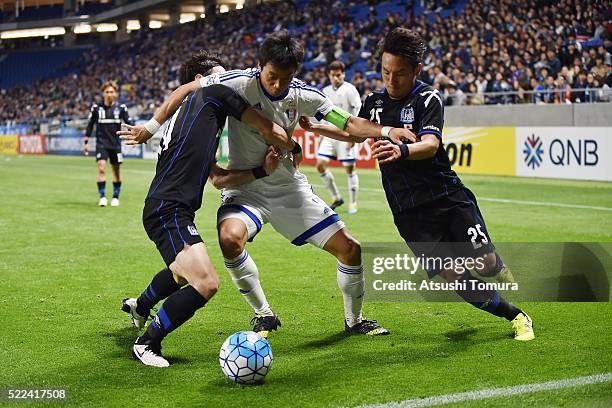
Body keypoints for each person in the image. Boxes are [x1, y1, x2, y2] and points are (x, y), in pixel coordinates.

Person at [122, 31, 416, 339]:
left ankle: (354, 321)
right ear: (260, 65)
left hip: (289, 189)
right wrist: (150, 126)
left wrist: (387, 130)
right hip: (244, 190)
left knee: (350, 249)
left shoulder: (305, 95)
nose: (277, 85)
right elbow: (186, 89)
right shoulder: (235, 82)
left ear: (295, 74)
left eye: (285, 79)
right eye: (272, 76)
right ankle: (264, 314)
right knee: (230, 239)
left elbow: (349, 122)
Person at [301, 28, 535, 342]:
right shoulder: (374, 102)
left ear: (416, 71)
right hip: (409, 213)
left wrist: (402, 150)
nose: (390, 80)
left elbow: (430, 145)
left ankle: (495, 264)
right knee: (453, 275)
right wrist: (317, 128)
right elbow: (356, 134)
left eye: (399, 74)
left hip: (447, 199)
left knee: (485, 262)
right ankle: (516, 315)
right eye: (385, 72)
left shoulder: (428, 98)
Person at [118, 58, 293, 367]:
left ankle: (141, 306)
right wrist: (291, 143)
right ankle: (147, 344)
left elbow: (220, 179)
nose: (230, 77)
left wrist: (261, 172)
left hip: (171, 208)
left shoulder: (198, 117)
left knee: (181, 273)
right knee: (206, 282)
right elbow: (266, 127)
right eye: (222, 74)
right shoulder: (213, 94)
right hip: (168, 210)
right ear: (203, 79)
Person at [315, 61, 363, 213]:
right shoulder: (325, 91)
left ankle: (353, 203)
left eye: (338, 75)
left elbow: (358, 110)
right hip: (330, 134)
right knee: (320, 165)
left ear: (343, 74)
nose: (336, 78)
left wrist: (354, 135)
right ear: (329, 75)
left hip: (346, 134)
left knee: (349, 168)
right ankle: (336, 197)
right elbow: (320, 112)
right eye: (333, 75)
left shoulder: (350, 90)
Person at [84, 81, 132, 207]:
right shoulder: (96, 108)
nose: (109, 94)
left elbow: (130, 123)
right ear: (103, 94)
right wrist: (86, 141)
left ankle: (115, 197)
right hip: (101, 144)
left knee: (116, 171)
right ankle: (103, 197)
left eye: (112, 92)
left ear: (115, 94)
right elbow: (90, 125)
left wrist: (134, 136)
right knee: (101, 168)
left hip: (115, 145)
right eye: (107, 92)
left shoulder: (121, 108)